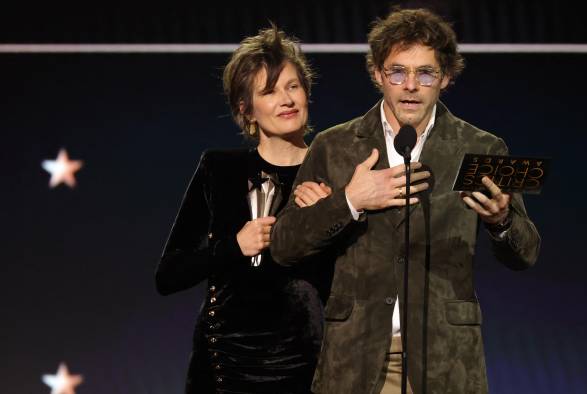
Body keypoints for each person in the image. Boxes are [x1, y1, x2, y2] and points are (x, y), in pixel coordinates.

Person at [271, 8, 541, 394]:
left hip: (444, 360)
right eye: (397, 71)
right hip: (356, 359)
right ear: (378, 74)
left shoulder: (480, 148)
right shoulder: (335, 147)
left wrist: (501, 222)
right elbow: (284, 246)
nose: (410, 85)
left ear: (445, 77)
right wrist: (349, 200)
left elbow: (526, 253)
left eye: (425, 73)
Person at [155, 27, 331, 393]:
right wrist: (234, 246)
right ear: (245, 109)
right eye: (269, 91)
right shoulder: (218, 169)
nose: (287, 99)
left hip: (306, 370)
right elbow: (169, 275)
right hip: (224, 370)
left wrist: (328, 221)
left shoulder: (332, 173)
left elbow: (351, 286)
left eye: (293, 86)